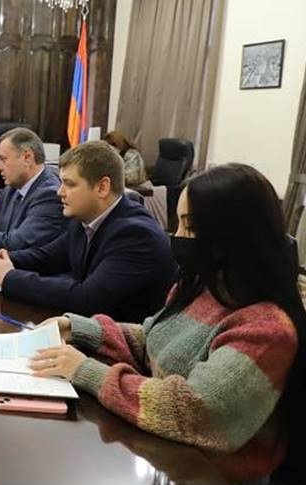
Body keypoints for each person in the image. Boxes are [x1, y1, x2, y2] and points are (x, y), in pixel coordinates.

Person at [26, 163, 303, 455]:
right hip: (156, 446)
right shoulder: (199, 288)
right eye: (178, 223)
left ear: (233, 236)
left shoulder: (267, 330)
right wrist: (80, 329)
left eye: (190, 227)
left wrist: (86, 371)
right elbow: (152, 338)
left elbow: (196, 411)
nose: (177, 236)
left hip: (205, 470)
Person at [0, 140, 177, 323]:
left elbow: (86, 298)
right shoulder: (84, 218)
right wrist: (1, 260)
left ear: (102, 187)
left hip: (129, 344)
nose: (59, 192)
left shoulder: (136, 235)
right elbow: (48, 257)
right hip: (94, 331)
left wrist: (8, 277)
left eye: (69, 184)